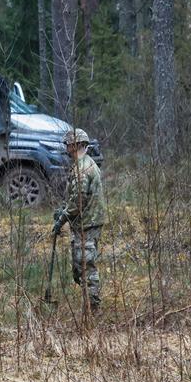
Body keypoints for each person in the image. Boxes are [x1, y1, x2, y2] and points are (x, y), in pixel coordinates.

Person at [53, 128, 105, 310]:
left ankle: (92, 310)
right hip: (87, 222)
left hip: (87, 224)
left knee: (86, 267)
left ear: (75, 145)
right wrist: (64, 210)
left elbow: (78, 202)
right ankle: (89, 307)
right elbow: (76, 197)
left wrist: (62, 219)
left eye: (67, 145)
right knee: (79, 267)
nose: (66, 148)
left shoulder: (82, 169)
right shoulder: (86, 164)